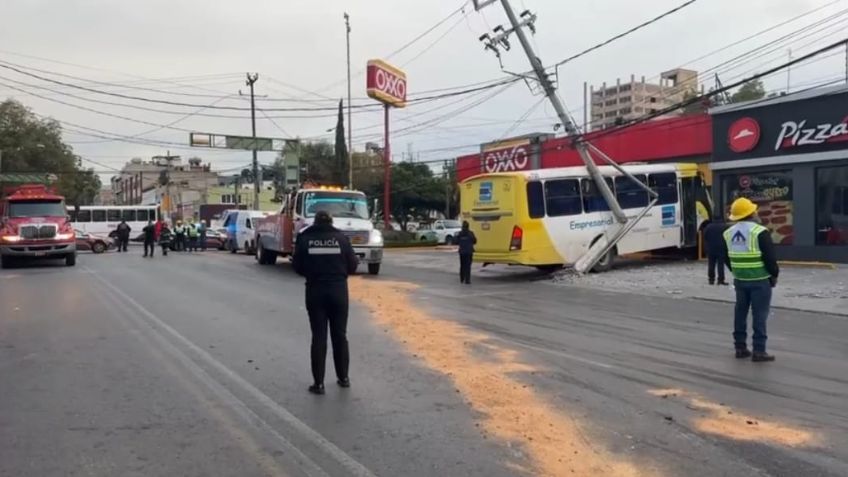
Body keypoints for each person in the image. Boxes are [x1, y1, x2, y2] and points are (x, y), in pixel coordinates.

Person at [292, 211, 358, 395]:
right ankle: (343, 378)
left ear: (315, 222)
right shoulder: (341, 238)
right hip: (338, 291)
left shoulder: (305, 238)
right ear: (331, 221)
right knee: (340, 335)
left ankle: (318, 384)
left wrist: (313, 274)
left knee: (319, 337)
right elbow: (352, 265)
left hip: (315, 291)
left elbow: (297, 266)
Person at [719, 197, 779, 363]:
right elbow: (770, 258)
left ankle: (740, 347)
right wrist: (774, 275)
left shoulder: (727, 233)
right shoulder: (760, 232)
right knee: (759, 314)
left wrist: (737, 271)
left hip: (740, 279)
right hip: (760, 280)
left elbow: (726, 257)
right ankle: (759, 350)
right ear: (751, 213)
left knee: (740, 312)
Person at [703, 214, 729, 285]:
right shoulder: (725, 227)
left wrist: (706, 247)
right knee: (720, 264)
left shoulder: (708, 227)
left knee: (711, 264)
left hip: (711, 248)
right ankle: (720, 280)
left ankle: (711, 280)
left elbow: (705, 237)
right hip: (721, 248)